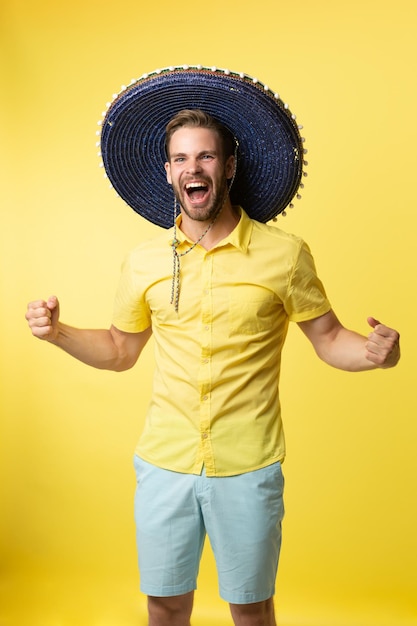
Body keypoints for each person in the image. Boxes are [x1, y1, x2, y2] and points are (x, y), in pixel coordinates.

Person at [25, 67, 400, 626]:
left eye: (204, 157)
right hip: (164, 464)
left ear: (227, 166)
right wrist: (58, 333)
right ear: (169, 172)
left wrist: (373, 353)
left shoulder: (284, 254)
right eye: (180, 158)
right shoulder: (144, 261)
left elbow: (329, 340)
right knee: (166, 606)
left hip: (248, 467)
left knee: (250, 609)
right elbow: (120, 350)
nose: (192, 168)